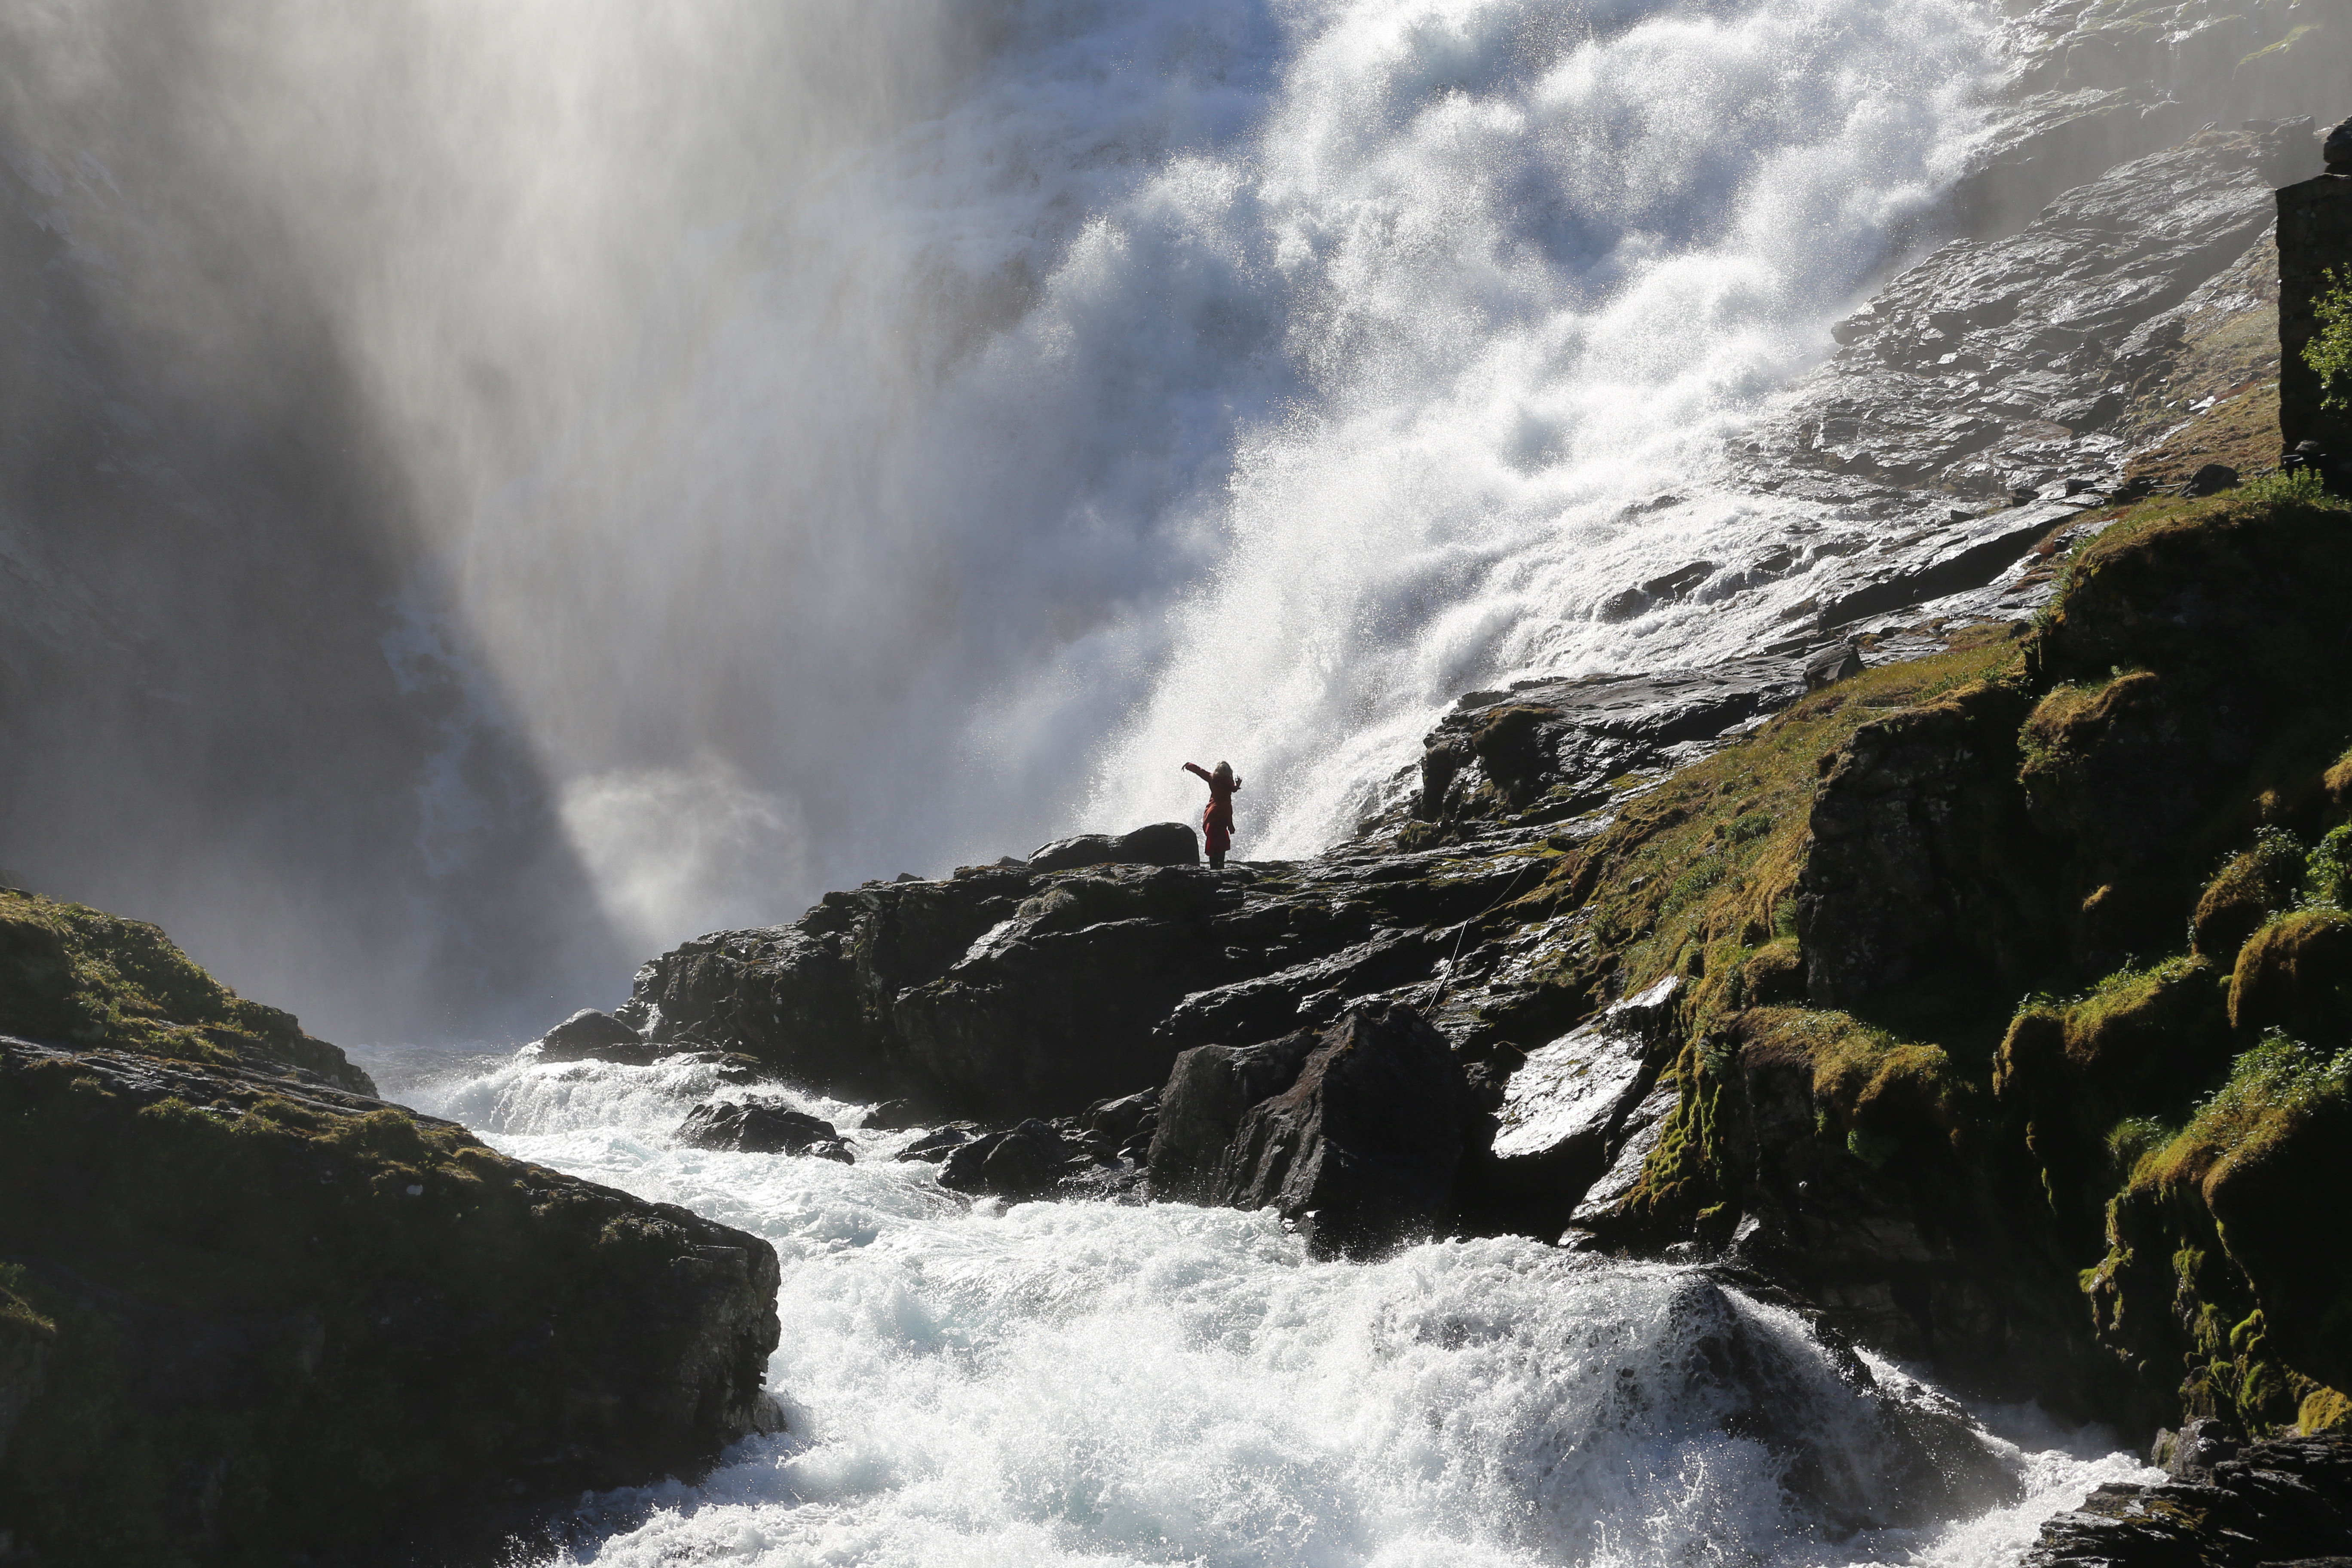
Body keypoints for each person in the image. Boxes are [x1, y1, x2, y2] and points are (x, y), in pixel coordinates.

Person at [1182, 760, 1242, 869]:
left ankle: (1213, 866)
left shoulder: (1212, 778)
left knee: (1213, 838)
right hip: (1222, 811)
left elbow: (1200, 771)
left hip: (1211, 811)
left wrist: (1189, 766)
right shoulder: (1227, 781)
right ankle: (1220, 865)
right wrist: (1237, 785)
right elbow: (1233, 789)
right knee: (1222, 839)